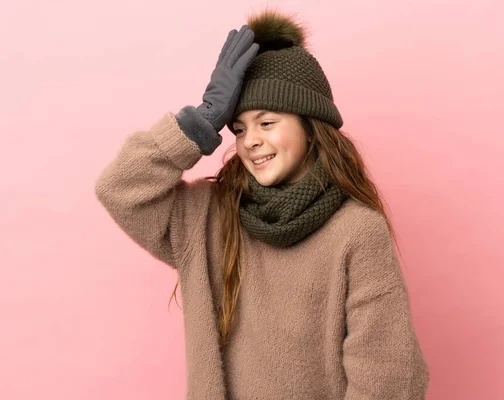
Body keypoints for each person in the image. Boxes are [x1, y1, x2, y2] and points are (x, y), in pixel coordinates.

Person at [95, 9, 429, 399]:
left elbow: (388, 378)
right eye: (238, 128)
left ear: (310, 124)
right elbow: (119, 189)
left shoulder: (356, 231)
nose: (249, 140)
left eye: (266, 123)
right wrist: (201, 121)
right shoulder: (208, 217)